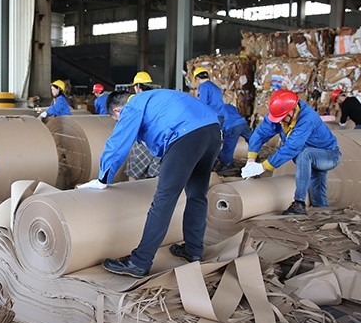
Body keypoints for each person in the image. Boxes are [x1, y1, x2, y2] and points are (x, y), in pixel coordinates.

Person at [80, 89, 221, 276]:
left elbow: (118, 143)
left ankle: (139, 262)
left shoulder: (132, 106)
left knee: (164, 199)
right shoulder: (155, 98)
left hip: (186, 136)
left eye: (117, 120)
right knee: (197, 195)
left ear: (117, 111)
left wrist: (103, 179)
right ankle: (193, 250)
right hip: (213, 132)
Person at [242, 89, 341, 216]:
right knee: (318, 201)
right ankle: (322, 213)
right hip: (309, 158)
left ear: (292, 111)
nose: (280, 122)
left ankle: (299, 203)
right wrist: (251, 160)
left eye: (282, 118)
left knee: (305, 154)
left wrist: (262, 167)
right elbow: (260, 134)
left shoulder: (307, 118)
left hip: (329, 155)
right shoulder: (279, 115)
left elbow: (291, 147)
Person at [217, 103, 252, 170]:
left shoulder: (216, 111)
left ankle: (227, 164)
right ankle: (255, 155)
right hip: (242, 123)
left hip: (231, 127)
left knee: (228, 149)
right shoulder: (229, 106)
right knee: (251, 140)